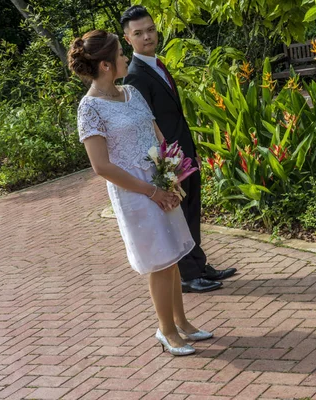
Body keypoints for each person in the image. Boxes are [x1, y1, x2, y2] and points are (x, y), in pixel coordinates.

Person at [69, 29, 213, 356]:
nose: (125, 58)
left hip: (159, 182)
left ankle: (182, 323)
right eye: (120, 53)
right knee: (159, 261)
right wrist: (151, 191)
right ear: (105, 65)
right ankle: (165, 331)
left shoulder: (132, 92)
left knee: (173, 255)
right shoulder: (89, 108)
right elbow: (101, 166)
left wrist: (171, 175)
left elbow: (157, 134)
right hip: (134, 193)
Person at [121, 6, 236, 294]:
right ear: (127, 39)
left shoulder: (157, 64)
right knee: (180, 216)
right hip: (169, 160)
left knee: (192, 210)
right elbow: (149, 126)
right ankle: (188, 276)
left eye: (150, 29)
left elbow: (176, 116)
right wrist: (166, 165)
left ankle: (199, 265)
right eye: (139, 33)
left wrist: (191, 150)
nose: (147, 36)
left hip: (183, 153)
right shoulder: (135, 76)